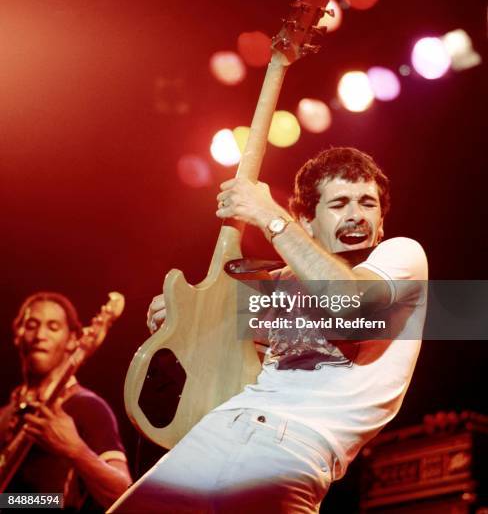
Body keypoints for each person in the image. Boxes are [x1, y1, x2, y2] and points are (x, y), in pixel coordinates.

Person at [110, 147, 428, 513]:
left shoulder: (400, 257)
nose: (356, 215)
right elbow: (213, 354)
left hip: (291, 451)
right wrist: (182, 317)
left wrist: (268, 215)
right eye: (339, 204)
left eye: (368, 203)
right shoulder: (276, 283)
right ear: (307, 222)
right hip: (216, 432)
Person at [0, 292, 132, 512]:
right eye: (32, 325)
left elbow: (125, 494)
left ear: (72, 340)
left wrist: (76, 450)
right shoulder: (5, 415)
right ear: (17, 334)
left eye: (53, 327)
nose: (40, 335)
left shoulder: (88, 407)